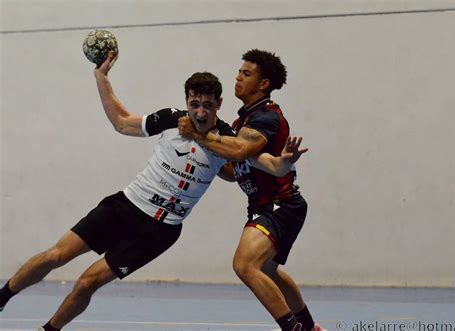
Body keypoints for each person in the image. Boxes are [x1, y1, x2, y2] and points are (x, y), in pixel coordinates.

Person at [0, 52, 306, 331]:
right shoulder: (172, 119)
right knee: (56, 255)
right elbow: (121, 122)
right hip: (124, 207)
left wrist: (285, 162)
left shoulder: (227, 139)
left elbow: (267, 164)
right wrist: (102, 78)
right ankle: (1, 298)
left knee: (85, 283)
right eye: (194, 104)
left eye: (208, 105)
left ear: (219, 105)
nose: (200, 112)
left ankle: (50, 329)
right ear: (187, 101)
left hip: (159, 230)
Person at [178, 49, 324, 331]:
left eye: (246, 74)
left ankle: (292, 328)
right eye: (238, 71)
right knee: (268, 271)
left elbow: (243, 149)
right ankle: (308, 326)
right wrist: (207, 155)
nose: (238, 77)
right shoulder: (239, 122)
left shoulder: (266, 117)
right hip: (262, 206)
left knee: (245, 265)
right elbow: (234, 171)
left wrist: (198, 135)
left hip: (281, 204)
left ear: (263, 84)